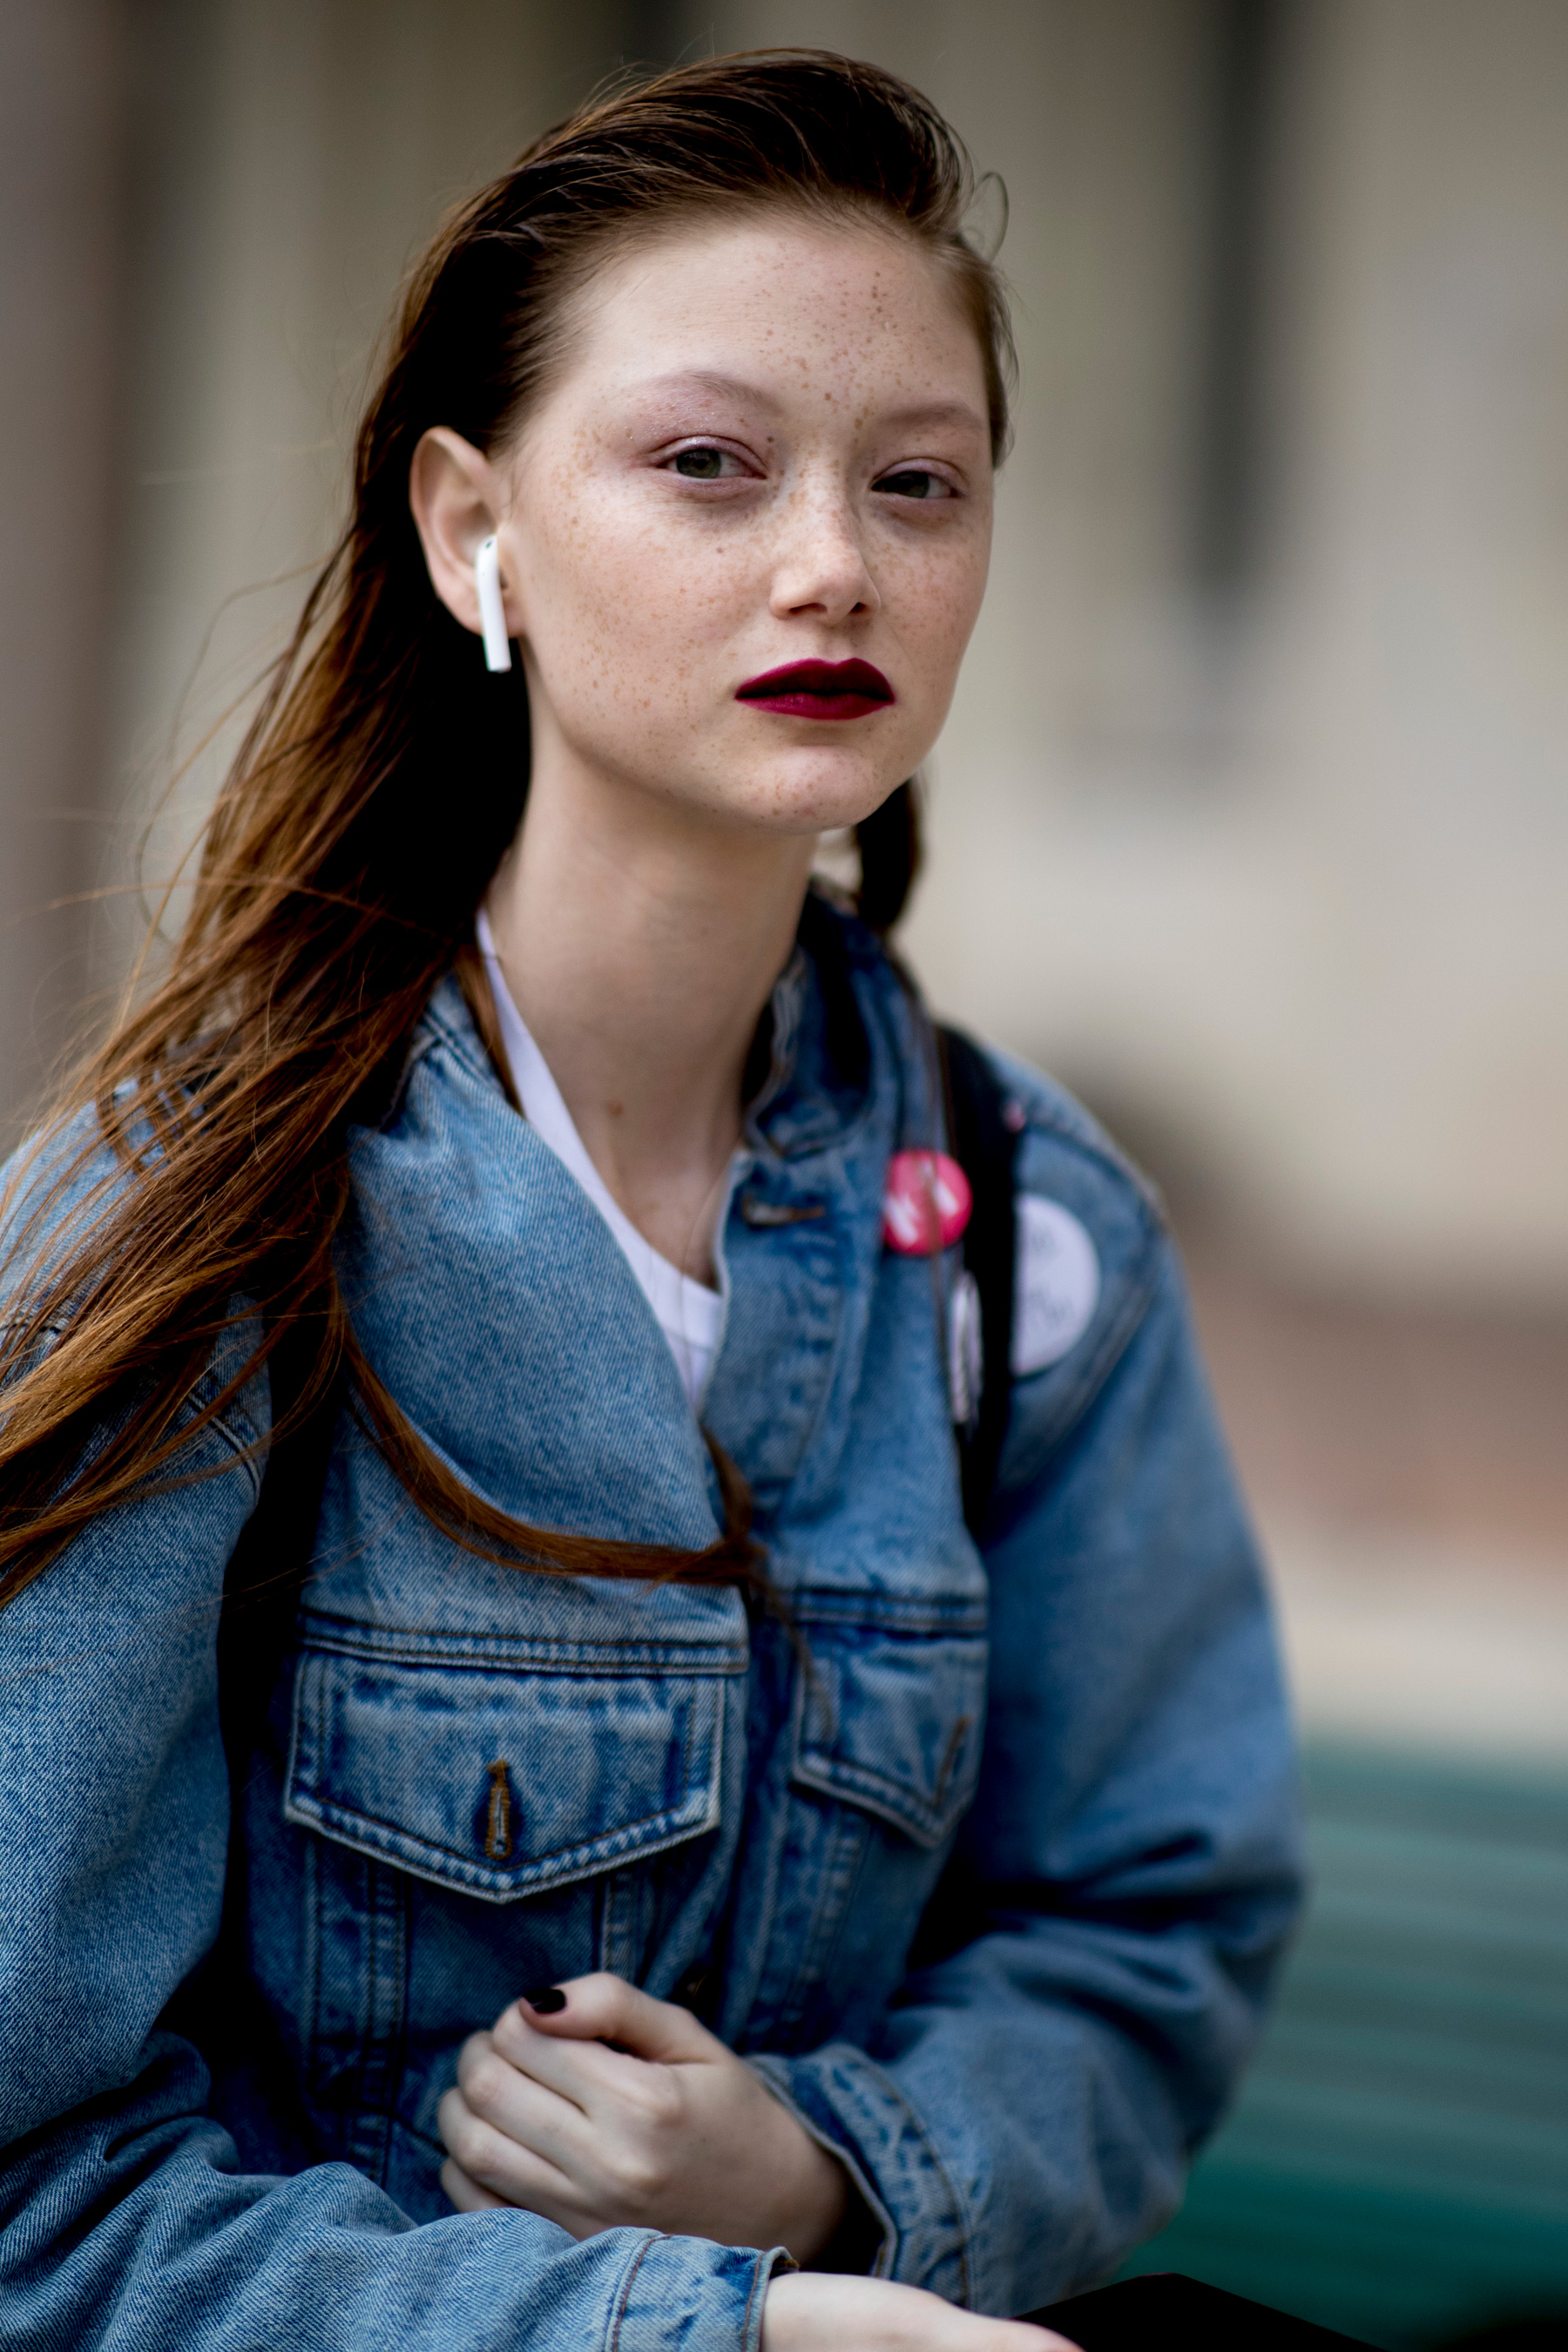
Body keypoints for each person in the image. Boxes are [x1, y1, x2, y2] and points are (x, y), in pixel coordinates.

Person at [0, 50, 1303, 2352]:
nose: (835, 563)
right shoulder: (193, 1232)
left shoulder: (1029, 1240)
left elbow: (1142, 1932)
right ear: (470, 529)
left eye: (919, 481)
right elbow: (31, 2210)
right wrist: (717, 2327)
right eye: (710, 463)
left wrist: (824, 2170)